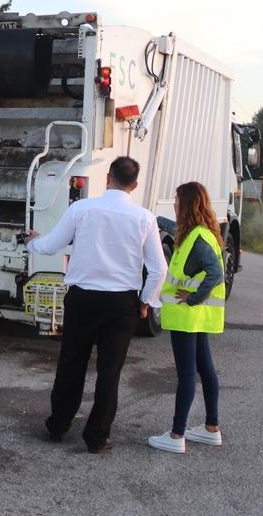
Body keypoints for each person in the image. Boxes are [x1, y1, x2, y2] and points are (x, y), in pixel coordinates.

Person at [25, 156, 167, 454]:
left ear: (108, 179)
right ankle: (96, 438)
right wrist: (146, 301)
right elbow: (158, 269)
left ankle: (58, 425)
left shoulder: (82, 209)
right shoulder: (144, 218)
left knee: (71, 364)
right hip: (122, 304)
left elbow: (51, 246)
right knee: (109, 371)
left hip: (83, 299)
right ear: (135, 185)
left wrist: (33, 242)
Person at [147, 181, 226, 454]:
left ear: (188, 204)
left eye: (177, 200)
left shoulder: (197, 239)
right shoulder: (201, 233)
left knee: (186, 374)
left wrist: (192, 298)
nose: (175, 204)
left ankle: (176, 434)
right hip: (196, 317)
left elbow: (215, 273)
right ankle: (210, 429)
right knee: (205, 369)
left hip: (187, 315)